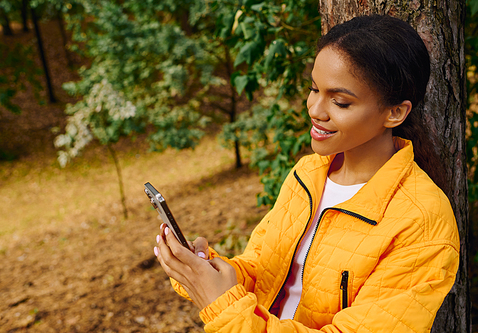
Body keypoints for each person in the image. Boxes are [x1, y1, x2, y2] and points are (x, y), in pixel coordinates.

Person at [153, 14, 460, 333]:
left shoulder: (422, 223)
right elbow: (262, 271)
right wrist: (206, 271)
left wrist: (222, 306)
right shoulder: (308, 173)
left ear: (395, 112)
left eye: (340, 101)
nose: (314, 109)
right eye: (314, 89)